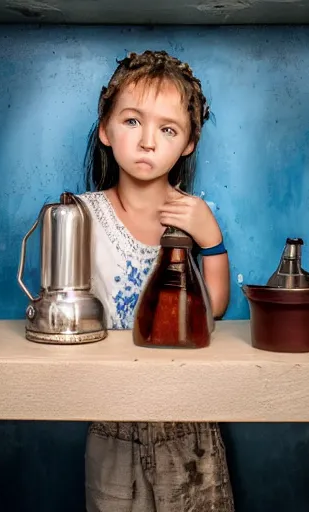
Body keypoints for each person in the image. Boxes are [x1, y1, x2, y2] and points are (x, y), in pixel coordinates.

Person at [79, 50, 235, 512]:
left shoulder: (193, 215)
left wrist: (213, 240)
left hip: (189, 419)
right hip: (111, 416)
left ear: (187, 143)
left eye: (168, 129)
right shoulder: (82, 214)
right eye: (132, 122)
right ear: (105, 128)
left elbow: (217, 308)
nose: (148, 141)